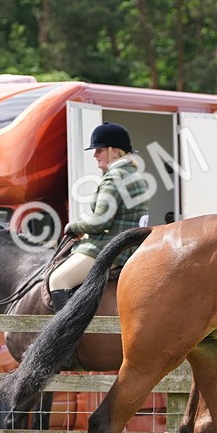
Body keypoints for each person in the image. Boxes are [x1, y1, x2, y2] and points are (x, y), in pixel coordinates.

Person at [48, 122, 151, 310]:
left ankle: (67, 337)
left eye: (99, 150)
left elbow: (100, 221)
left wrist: (74, 226)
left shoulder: (115, 177)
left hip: (109, 249)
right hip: (127, 247)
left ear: (114, 151)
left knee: (57, 280)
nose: (95, 155)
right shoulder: (134, 175)